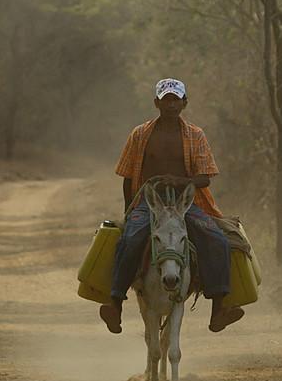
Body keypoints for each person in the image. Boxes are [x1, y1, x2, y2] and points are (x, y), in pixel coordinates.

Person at [101, 78, 246, 335]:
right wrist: (130, 210)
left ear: (184, 103)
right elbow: (127, 176)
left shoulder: (195, 135)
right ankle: (115, 303)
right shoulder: (140, 134)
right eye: (166, 99)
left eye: (175, 99)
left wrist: (181, 181)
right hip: (149, 201)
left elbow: (205, 177)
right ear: (156, 102)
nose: (171, 104)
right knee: (131, 236)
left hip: (185, 203)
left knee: (216, 239)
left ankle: (219, 308)